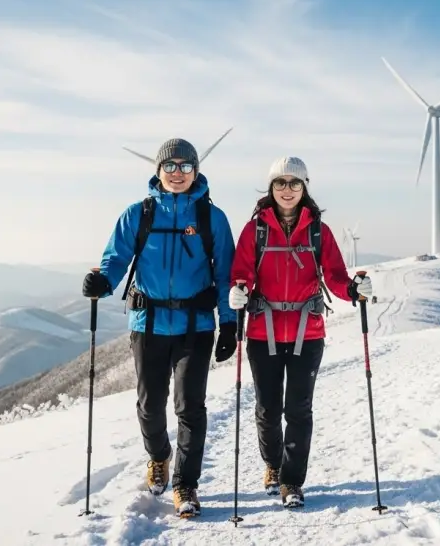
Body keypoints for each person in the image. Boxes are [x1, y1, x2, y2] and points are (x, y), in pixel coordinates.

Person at [81, 138, 237, 518]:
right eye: (170, 166)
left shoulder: (212, 218)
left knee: (190, 406)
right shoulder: (139, 214)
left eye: (185, 166)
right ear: (158, 170)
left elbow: (225, 275)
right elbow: (116, 258)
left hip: (195, 326)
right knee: (150, 405)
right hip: (147, 323)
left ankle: (186, 485)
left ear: (196, 171)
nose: (177, 173)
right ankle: (159, 456)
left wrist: (229, 324)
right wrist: (103, 282)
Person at [227, 156, 373, 508]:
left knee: (298, 409)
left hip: (307, 333)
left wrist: (352, 290)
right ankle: (272, 464)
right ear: (271, 188)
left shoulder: (318, 231)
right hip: (263, 331)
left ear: (304, 187)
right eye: (280, 183)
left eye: (295, 183)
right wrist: (238, 290)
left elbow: (334, 275)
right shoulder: (255, 230)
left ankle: (291, 482)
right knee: (267, 408)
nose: (287, 190)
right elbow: (242, 271)